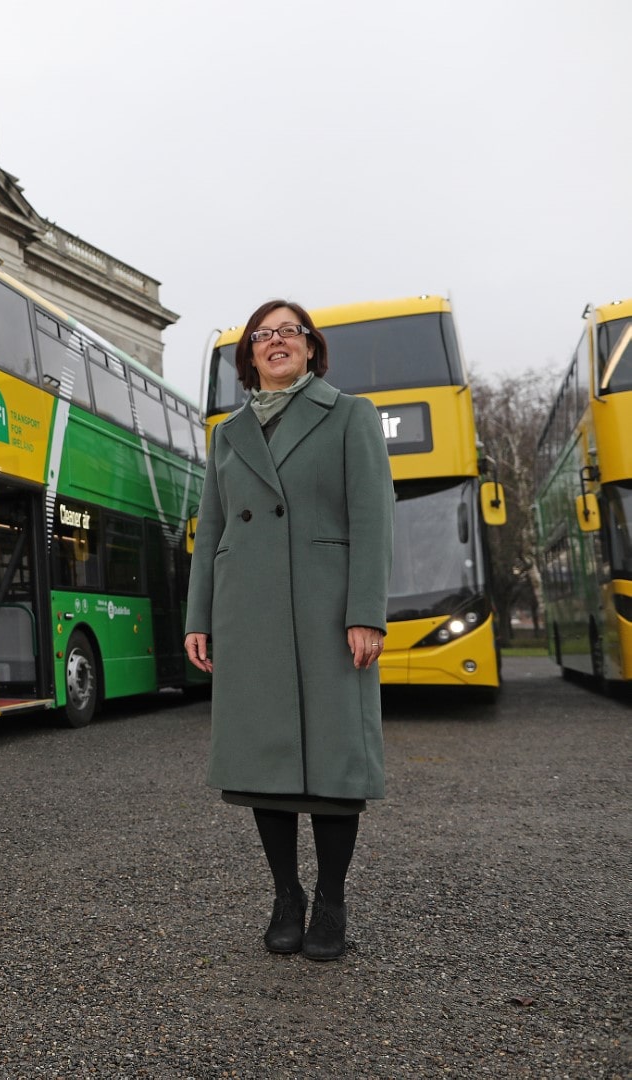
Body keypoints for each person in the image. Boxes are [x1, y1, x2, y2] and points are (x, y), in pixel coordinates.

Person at [184, 299, 393, 961]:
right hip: (249, 612)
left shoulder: (349, 414)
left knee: (334, 760)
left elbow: (372, 517)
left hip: (326, 611)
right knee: (260, 764)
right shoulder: (227, 433)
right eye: (262, 336)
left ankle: (331, 898)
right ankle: (286, 895)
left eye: (287, 333)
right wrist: (200, 617)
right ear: (250, 356)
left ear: (310, 347)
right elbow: (210, 529)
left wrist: (366, 611)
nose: (275, 343)